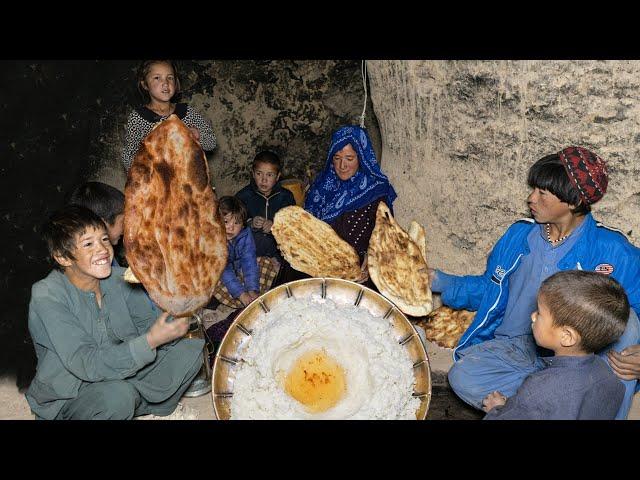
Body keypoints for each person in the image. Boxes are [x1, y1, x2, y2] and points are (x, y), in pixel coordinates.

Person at [433, 146, 640, 419]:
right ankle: (547, 401)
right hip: (522, 346)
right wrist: (441, 281)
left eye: (542, 192)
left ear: (573, 201)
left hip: (583, 357)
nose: (531, 198)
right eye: (533, 189)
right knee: (463, 375)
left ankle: (538, 403)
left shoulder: (614, 250)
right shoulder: (519, 235)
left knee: (628, 325)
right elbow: (491, 288)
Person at [25, 205, 203, 419]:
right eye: (88, 244)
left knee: (190, 351)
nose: (102, 249)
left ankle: (147, 410)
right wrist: (150, 341)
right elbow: (86, 362)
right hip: (72, 395)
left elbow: (150, 325)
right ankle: (121, 406)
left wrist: (175, 315)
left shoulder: (120, 278)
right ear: (63, 258)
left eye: (104, 239)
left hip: (120, 372)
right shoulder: (47, 294)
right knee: (118, 396)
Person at [483, 270, 627, 420]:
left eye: (539, 313)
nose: (532, 316)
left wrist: (498, 410)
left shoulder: (537, 391)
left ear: (566, 336)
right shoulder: (608, 376)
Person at [122, 60, 217, 171]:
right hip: (156, 181)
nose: (165, 83)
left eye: (170, 78)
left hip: (187, 178)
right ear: (145, 84)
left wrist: (197, 135)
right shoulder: (138, 118)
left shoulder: (187, 113)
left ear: (176, 83)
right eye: (157, 78)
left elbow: (211, 143)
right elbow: (128, 157)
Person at [212, 196, 279, 309]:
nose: (230, 228)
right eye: (226, 222)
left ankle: (252, 297)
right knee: (212, 284)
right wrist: (241, 294)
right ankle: (239, 301)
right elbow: (225, 270)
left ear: (243, 225)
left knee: (264, 262)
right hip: (220, 271)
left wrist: (252, 289)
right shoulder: (213, 240)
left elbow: (249, 261)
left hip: (239, 269)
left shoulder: (245, 234)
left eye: (237, 223)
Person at [236, 150, 296, 269]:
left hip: (278, 249)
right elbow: (233, 224)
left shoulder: (286, 197)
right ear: (253, 173)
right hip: (253, 248)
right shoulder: (243, 196)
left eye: (269, 175)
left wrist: (275, 226)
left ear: (278, 176)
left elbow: (294, 225)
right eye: (259, 174)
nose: (264, 180)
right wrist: (250, 223)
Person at [66, 181, 125, 265]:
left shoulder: (105, 255)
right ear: (102, 225)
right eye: (122, 222)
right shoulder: (99, 265)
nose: (124, 230)